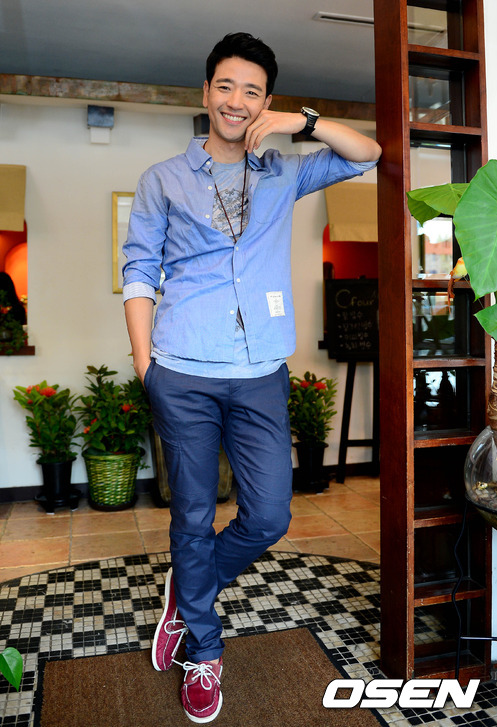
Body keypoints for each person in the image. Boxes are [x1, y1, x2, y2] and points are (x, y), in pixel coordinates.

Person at [122, 31, 381, 723]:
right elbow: (139, 271)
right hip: (182, 370)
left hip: (260, 372)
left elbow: (369, 154)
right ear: (206, 92)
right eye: (226, 86)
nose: (237, 101)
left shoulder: (284, 171)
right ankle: (203, 651)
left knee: (268, 515)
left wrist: (305, 122)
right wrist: (147, 368)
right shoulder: (162, 180)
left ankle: (187, 594)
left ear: (266, 101)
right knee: (192, 516)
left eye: (253, 91)